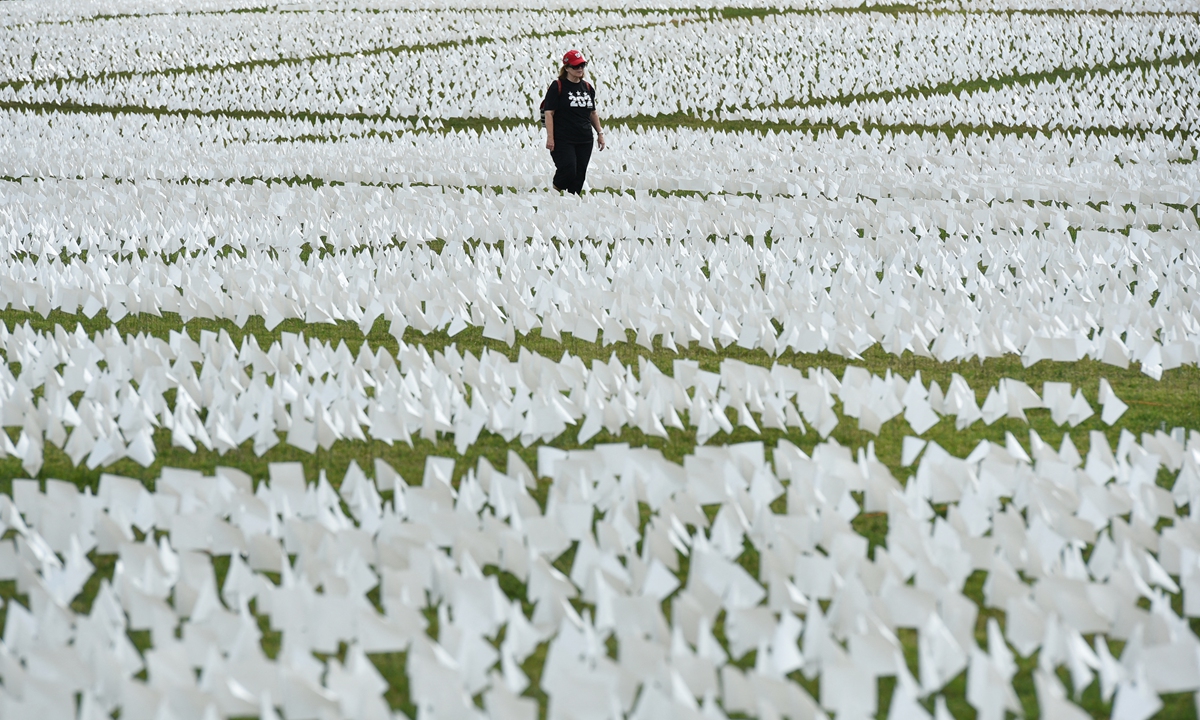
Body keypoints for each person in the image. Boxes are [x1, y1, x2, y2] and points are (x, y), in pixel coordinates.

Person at [543, 49, 605, 194]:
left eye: (582, 65)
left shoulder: (588, 87)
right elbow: (549, 113)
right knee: (568, 169)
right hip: (563, 138)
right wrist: (550, 137)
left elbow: (592, 112)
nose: (580, 69)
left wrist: (600, 133)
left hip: (585, 138)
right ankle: (555, 193)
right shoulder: (557, 86)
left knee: (579, 175)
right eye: (575, 66)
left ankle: (572, 205)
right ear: (566, 68)